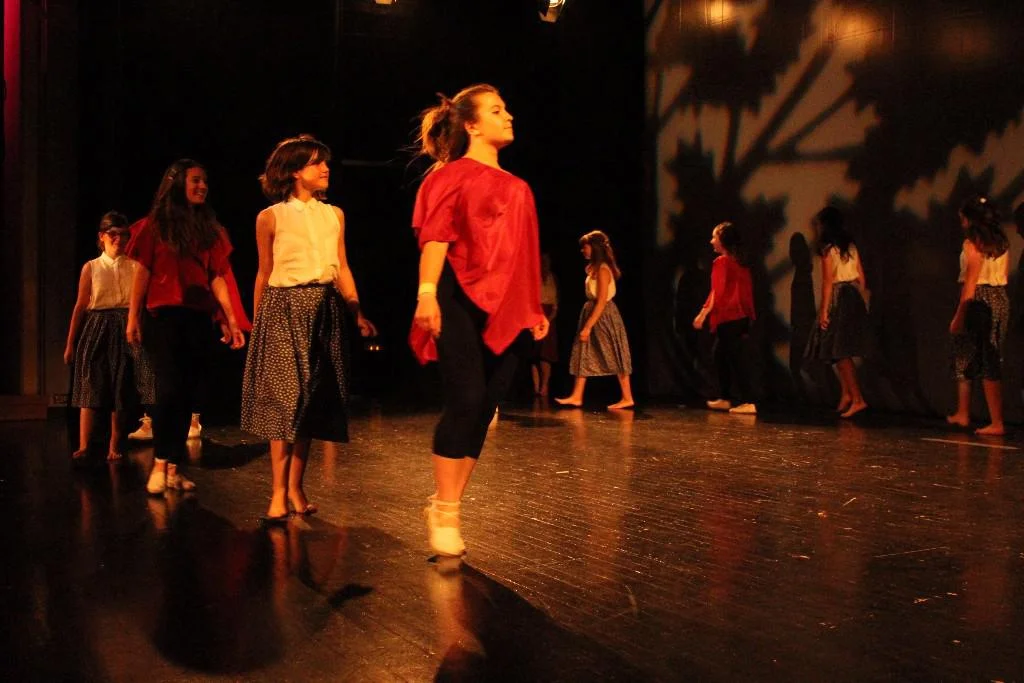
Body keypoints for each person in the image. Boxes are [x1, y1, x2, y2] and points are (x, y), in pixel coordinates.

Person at [410, 84, 548, 557]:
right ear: (471, 124)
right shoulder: (451, 176)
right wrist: (427, 293)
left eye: (506, 108)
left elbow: (524, 255)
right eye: (496, 110)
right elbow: (436, 237)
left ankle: (445, 504)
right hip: (456, 296)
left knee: (486, 407)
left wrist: (532, 308)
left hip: (507, 305)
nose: (508, 116)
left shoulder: (520, 188)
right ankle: (447, 511)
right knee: (466, 399)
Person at [241, 135, 376, 523]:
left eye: (325, 162)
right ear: (295, 172)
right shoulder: (271, 217)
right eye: (317, 162)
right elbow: (264, 273)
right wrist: (258, 324)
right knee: (285, 400)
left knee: (312, 401)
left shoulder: (334, 215)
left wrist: (356, 310)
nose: (325, 168)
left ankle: (297, 487)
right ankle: (277, 492)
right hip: (283, 307)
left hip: (325, 307)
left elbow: (342, 266)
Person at [126, 159, 246, 494]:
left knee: (187, 393)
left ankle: (174, 468)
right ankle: (161, 461)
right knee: (168, 390)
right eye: (195, 180)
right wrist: (133, 316)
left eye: (205, 181)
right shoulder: (155, 226)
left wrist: (231, 318)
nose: (202, 186)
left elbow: (217, 276)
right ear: (177, 183)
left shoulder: (210, 230)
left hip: (196, 318)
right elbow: (142, 272)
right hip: (162, 318)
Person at [64, 211, 151, 461]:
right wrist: (70, 343)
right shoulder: (91, 267)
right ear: (102, 236)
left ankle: (115, 444)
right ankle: (84, 444)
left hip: (124, 324)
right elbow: (80, 306)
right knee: (89, 384)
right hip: (97, 325)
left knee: (120, 386)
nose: (119, 239)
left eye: (124, 235)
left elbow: (140, 304)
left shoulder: (135, 266)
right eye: (113, 234)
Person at [947, 194, 1010, 435]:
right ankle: (964, 413)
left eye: (963, 218)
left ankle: (996, 421)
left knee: (979, 355)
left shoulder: (972, 244)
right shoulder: (1001, 242)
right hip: (999, 298)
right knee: (978, 355)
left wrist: (958, 316)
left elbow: (970, 284)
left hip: (979, 300)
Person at [555, 231, 634, 410]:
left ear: (594, 248)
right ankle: (577, 395)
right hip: (592, 312)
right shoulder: (594, 269)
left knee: (614, 352)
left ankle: (627, 397)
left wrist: (588, 326)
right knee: (583, 350)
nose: (583, 250)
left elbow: (602, 301)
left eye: (585, 247)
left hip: (604, 316)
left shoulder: (603, 270)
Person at [803, 207, 870, 418]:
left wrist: (824, 311)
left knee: (839, 351)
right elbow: (862, 278)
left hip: (838, 297)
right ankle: (847, 394)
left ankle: (857, 398)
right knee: (837, 349)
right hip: (852, 296)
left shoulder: (828, 250)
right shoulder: (850, 247)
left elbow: (828, 283)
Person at [692, 222, 758, 415]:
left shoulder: (722, 262)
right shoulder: (739, 262)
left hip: (730, 317)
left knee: (735, 359)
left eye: (714, 237)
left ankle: (748, 401)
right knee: (720, 355)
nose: (711, 241)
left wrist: (703, 314)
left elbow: (716, 292)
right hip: (739, 317)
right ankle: (725, 398)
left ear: (722, 241)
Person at [530, 253, 559, 396]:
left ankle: (545, 385)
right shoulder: (534, 277)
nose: (544, 265)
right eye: (542, 262)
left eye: (547, 262)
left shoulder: (553, 278)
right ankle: (536, 387)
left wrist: (551, 317)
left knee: (546, 355)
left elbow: (556, 302)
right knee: (534, 355)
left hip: (549, 317)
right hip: (535, 315)